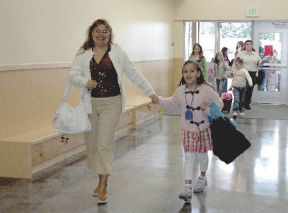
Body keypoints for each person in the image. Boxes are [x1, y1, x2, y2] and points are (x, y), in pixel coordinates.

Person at [68, 19, 157, 204]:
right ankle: (99, 181)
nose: (101, 35)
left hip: (112, 103)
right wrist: (85, 82)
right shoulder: (84, 54)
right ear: (91, 34)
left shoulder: (117, 52)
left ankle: (104, 185)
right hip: (90, 104)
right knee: (92, 144)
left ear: (110, 34)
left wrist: (151, 92)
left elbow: (134, 73)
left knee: (104, 143)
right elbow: (73, 75)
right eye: (98, 31)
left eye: (105, 31)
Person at [151, 60, 223, 202]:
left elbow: (219, 103)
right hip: (187, 130)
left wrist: (207, 110)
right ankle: (187, 187)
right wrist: (157, 100)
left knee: (202, 155)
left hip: (203, 129)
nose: (188, 74)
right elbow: (171, 102)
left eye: (191, 71)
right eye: (185, 71)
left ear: (198, 73)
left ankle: (202, 177)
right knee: (189, 156)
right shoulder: (180, 90)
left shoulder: (206, 89)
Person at [236, 40, 269, 110]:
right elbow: (236, 63)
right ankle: (241, 104)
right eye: (247, 44)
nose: (248, 45)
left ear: (252, 45)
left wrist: (263, 60)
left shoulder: (255, 54)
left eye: (250, 44)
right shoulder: (241, 53)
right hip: (244, 73)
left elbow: (259, 64)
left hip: (253, 74)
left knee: (249, 90)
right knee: (244, 89)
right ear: (245, 46)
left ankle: (246, 104)